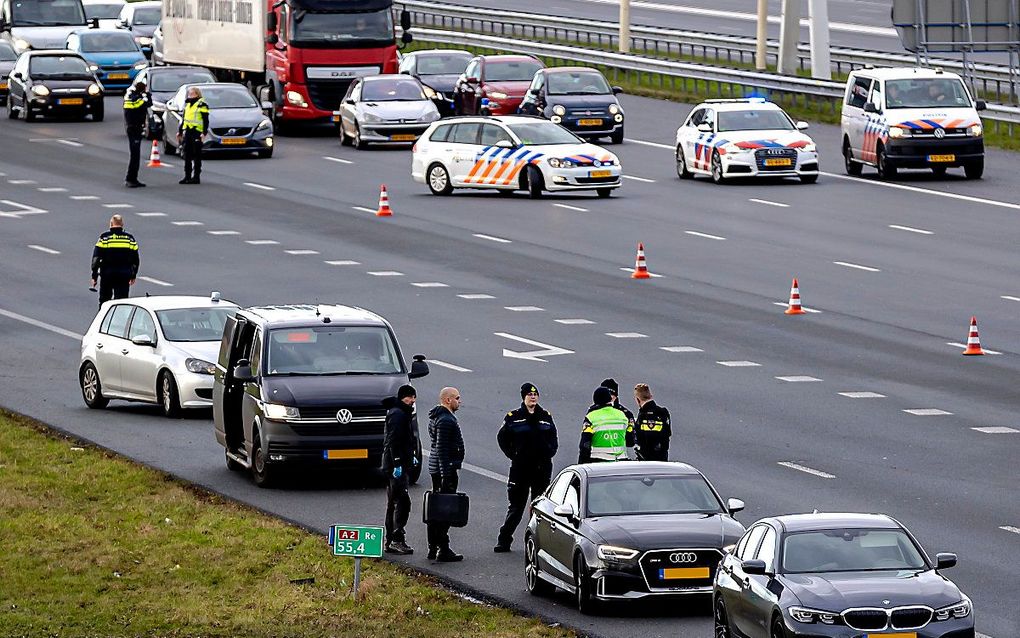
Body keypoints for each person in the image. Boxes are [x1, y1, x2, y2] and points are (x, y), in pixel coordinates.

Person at [494, 383, 558, 553]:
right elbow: (502, 438)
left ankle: (537, 543)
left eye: (535, 394)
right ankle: (504, 539)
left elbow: (553, 438)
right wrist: (514, 455)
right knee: (516, 507)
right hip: (520, 469)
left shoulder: (545, 416)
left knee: (539, 508)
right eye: (530, 394)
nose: (533, 397)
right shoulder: (514, 417)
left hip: (541, 469)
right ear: (523, 397)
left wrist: (548, 453)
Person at [426, 387, 465, 562]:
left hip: (438, 469)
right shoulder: (445, 420)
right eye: (457, 398)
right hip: (444, 471)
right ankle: (442, 547)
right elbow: (442, 449)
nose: (460, 401)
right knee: (444, 510)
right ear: (448, 400)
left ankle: (434, 547)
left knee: (436, 509)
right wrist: (446, 474)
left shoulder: (436, 417)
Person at [383, 384, 417, 556]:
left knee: (395, 502)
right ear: (403, 397)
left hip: (399, 463)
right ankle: (395, 539)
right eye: (410, 397)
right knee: (400, 502)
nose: (412, 401)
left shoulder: (400, 412)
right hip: (397, 464)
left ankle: (391, 539)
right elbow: (394, 440)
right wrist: (397, 463)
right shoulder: (398, 414)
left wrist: (411, 455)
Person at [90, 214, 139, 304]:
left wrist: (94, 276)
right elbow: (135, 259)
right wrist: (133, 275)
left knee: (105, 301)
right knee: (121, 302)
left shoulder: (105, 238)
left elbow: (96, 258)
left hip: (107, 274)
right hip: (124, 275)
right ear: (122, 224)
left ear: (111, 224)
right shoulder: (129, 239)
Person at [578, 385, 633, 463]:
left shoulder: (591, 417)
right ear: (610, 399)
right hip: (620, 461)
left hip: (598, 461)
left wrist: (582, 462)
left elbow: (585, 444)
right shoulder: (622, 415)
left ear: (595, 400)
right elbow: (630, 441)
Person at [177, 87, 209, 184]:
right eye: (189, 94)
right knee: (187, 154)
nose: (190, 96)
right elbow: (184, 119)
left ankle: (196, 177)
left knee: (196, 155)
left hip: (197, 132)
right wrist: (180, 131)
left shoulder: (202, 105)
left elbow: (205, 120)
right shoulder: (187, 105)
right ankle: (187, 176)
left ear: (197, 94)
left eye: (192, 94)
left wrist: (204, 133)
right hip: (188, 131)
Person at [123, 80, 151, 188]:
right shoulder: (137, 100)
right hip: (135, 129)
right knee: (135, 156)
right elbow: (148, 104)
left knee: (134, 155)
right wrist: (148, 95)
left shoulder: (130, 98)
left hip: (131, 128)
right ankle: (131, 179)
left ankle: (131, 178)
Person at [633, 383, 671, 461]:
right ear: (651, 396)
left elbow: (640, 438)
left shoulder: (643, 415)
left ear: (637, 399)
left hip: (646, 460)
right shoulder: (663, 412)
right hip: (662, 458)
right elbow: (668, 433)